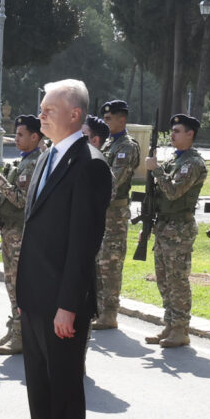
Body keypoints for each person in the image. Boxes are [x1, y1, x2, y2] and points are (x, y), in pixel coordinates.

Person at [8, 78, 112, 419]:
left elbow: (82, 243)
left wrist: (68, 305)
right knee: (40, 391)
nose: (42, 114)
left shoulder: (90, 164)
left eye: (50, 108)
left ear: (74, 115)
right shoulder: (49, 156)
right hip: (35, 295)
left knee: (65, 393)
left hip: (61, 304)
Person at [143, 113, 210, 348]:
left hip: (179, 227)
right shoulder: (175, 159)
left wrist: (156, 170)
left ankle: (181, 329)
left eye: (177, 131)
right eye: (172, 131)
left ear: (190, 134)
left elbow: (173, 192)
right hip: (165, 225)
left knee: (177, 279)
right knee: (163, 278)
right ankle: (170, 325)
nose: (172, 134)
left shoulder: (192, 162)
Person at [0, 113, 45, 355]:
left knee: (18, 286)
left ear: (35, 136)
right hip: (11, 232)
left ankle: (21, 335)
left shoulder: (34, 163)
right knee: (11, 285)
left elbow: (21, 200)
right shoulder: (23, 161)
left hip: (22, 234)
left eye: (21, 135)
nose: (16, 138)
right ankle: (14, 329)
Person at [90, 98, 145, 330]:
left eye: (110, 118)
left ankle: (110, 312)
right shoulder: (108, 145)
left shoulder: (127, 146)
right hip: (99, 210)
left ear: (122, 119)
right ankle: (99, 309)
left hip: (114, 212)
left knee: (110, 263)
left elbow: (113, 179)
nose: (106, 121)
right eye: (105, 117)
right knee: (97, 261)